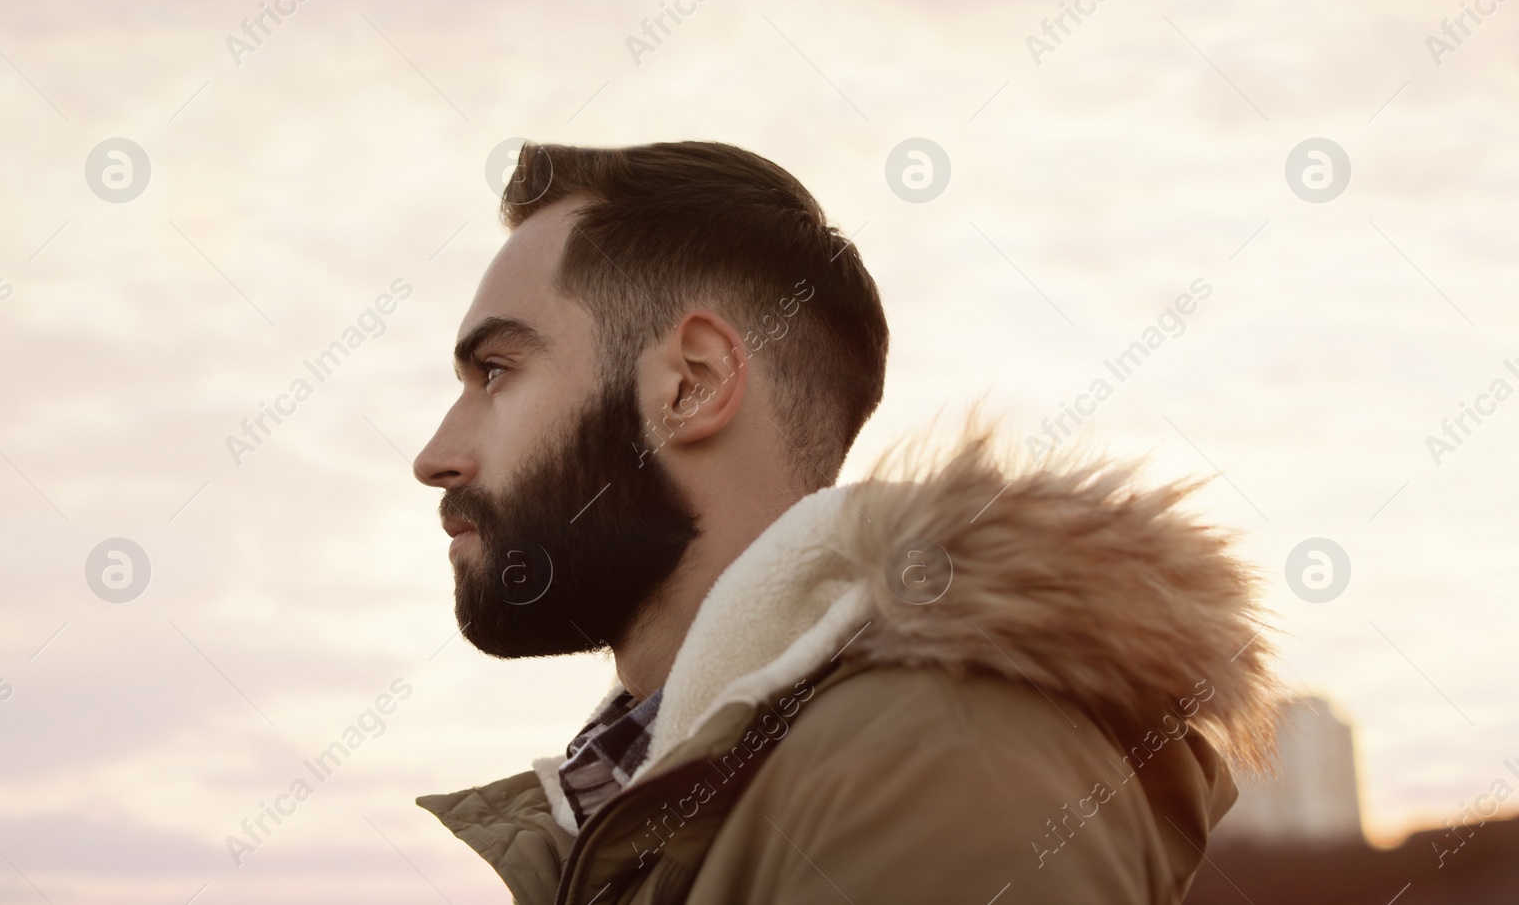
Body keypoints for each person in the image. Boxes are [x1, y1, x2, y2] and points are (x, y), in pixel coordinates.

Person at [411, 140, 1276, 905]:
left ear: (692, 385)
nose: (435, 455)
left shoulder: (937, 763)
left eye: (495, 370)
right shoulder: (665, 799)